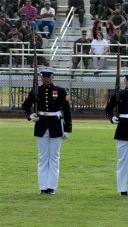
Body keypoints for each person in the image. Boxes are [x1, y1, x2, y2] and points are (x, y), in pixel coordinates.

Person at [21, 67, 72, 195]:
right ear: (41, 77)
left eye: (48, 76)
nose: (46, 79)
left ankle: (51, 187)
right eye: (44, 76)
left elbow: (66, 110)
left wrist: (67, 129)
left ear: (52, 77)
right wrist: (30, 115)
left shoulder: (60, 91)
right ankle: (43, 187)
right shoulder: (36, 91)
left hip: (56, 125)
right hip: (41, 124)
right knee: (43, 157)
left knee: (54, 157)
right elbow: (26, 105)